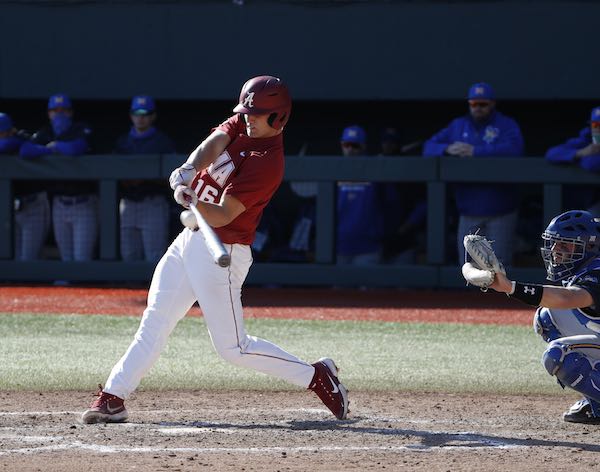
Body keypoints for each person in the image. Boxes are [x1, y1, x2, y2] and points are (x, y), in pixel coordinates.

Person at [81, 75, 349, 423]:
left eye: (257, 114)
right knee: (156, 319)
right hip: (192, 239)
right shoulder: (245, 123)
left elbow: (224, 213)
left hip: (223, 249)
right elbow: (215, 141)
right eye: (247, 112)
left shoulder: (269, 162)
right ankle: (114, 397)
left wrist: (191, 199)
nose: (248, 118)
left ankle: (316, 376)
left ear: (278, 117)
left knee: (234, 348)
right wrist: (189, 170)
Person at [487, 210, 600, 424]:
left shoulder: (597, 270)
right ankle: (596, 402)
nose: (556, 251)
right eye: (555, 244)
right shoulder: (586, 270)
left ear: (591, 247)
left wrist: (511, 287)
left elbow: (569, 298)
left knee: (560, 354)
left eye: (566, 245)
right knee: (547, 317)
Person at [423, 82, 524, 266]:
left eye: (483, 104)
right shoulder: (458, 126)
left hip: (501, 209)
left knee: (499, 267)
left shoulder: (505, 124)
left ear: (492, 104)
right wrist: (447, 148)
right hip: (468, 209)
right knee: (469, 267)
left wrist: (475, 151)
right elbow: (428, 147)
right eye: (474, 104)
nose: (478, 108)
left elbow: (515, 149)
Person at [20, 93, 96, 262]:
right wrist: (49, 150)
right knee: (66, 257)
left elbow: (78, 148)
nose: (59, 114)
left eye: (64, 110)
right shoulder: (45, 132)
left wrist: (57, 146)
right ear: (49, 113)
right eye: (55, 110)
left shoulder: (80, 129)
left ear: (71, 112)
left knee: (82, 258)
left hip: (83, 201)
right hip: (59, 202)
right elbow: (25, 150)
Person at [115, 95, 176, 262]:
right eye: (137, 113)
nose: (140, 118)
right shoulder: (123, 142)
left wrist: (145, 179)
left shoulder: (163, 142)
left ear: (152, 116)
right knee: (128, 255)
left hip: (153, 202)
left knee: (154, 255)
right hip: (128, 202)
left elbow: (172, 176)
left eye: (145, 113)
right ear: (131, 115)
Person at [336, 125, 389, 265]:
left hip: (368, 247)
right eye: (346, 145)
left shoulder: (376, 169)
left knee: (367, 286)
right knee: (339, 286)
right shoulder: (335, 169)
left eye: (355, 145)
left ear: (363, 146)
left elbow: (389, 205)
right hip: (339, 247)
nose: (350, 149)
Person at [0, 113, 50, 260]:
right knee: (12, 259)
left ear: (10, 130)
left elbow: (27, 150)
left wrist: (15, 142)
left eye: (1, 132)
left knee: (28, 259)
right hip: (9, 209)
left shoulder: (22, 139)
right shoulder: (15, 141)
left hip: (33, 205)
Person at [378, 127, 427, 264]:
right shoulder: (376, 167)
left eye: (393, 142)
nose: (388, 145)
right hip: (379, 240)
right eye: (386, 142)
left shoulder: (410, 169)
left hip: (405, 238)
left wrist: (408, 225)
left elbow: (423, 204)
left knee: (403, 281)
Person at [545, 106, 600, 215]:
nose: (598, 131)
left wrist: (582, 159)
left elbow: (593, 164)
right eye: (596, 126)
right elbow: (551, 154)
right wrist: (580, 153)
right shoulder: (586, 140)